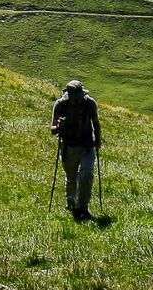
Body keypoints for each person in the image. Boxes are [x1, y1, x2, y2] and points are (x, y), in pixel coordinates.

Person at [51, 79, 101, 220]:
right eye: (72, 98)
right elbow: (52, 130)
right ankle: (71, 201)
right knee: (71, 177)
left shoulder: (90, 103)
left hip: (87, 146)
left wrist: (98, 141)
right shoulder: (60, 105)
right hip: (69, 146)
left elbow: (96, 124)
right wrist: (59, 126)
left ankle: (83, 208)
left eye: (77, 98)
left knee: (86, 175)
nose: (75, 101)